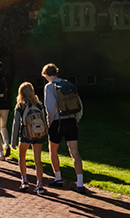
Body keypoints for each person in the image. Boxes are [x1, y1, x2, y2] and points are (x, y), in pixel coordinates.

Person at [42, 63, 85, 193]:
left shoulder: (49, 87)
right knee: (74, 151)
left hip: (57, 121)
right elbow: (79, 105)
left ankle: (58, 178)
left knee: (53, 150)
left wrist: (49, 123)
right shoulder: (68, 84)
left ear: (46, 74)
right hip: (71, 120)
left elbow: (50, 107)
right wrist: (76, 119)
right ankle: (80, 183)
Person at [11, 81, 47, 194]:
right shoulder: (39, 105)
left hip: (26, 134)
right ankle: (39, 185)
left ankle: (24, 181)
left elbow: (16, 123)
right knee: (38, 160)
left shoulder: (20, 106)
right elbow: (44, 120)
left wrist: (13, 141)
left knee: (22, 156)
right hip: (39, 134)